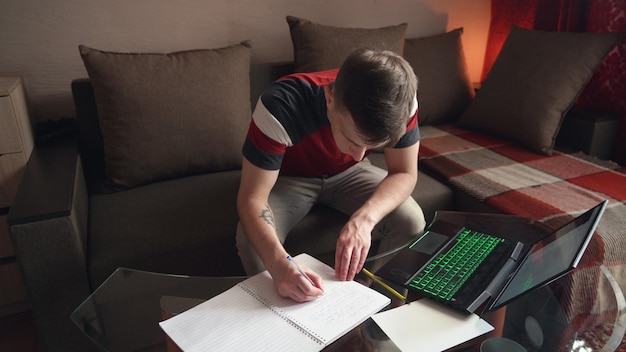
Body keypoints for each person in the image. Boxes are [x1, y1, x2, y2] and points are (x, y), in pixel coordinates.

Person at [236, 48, 425, 302]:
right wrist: (279, 264)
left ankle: (375, 305)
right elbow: (252, 199)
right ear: (330, 98)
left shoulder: (403, 103)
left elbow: (404, 172)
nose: (359, 155)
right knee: (251, 244)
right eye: (351, 139)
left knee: (411, 220)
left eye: (371, 147)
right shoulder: (281, 104)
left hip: (350, 176)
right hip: (289, 178)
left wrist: (364, 220)